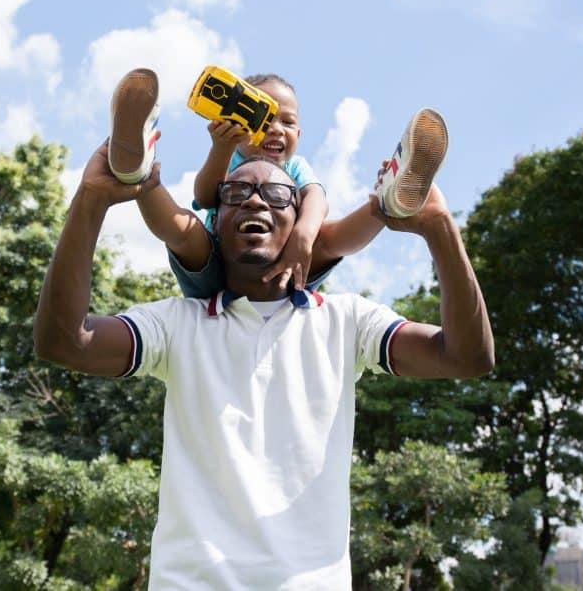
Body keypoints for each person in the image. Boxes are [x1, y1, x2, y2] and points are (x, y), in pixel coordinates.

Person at [33, 76, 495, 589]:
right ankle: (137, 167)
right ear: (218, 217)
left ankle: (392, 200)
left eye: (277, 194)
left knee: (342, 230)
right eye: (236, 194)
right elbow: (62, 342)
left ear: (300, 219)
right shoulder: (177, 325)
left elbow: (466, 357)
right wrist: (93, 199)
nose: (255, 202)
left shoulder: (345, 322)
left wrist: (439, 228)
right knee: (177, 223)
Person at [104, 67, 448, 297]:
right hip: (214, 266)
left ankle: (387, 202)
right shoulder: (233, 157)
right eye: (264, 118)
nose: (276, 129)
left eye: (287, 122)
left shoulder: (295, 167)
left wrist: (303, 236)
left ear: (298, 133)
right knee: (185, 230)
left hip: (282, 269)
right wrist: (221, 150)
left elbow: (316, 198)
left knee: (328, 238)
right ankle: (139, 170)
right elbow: (206, 197)